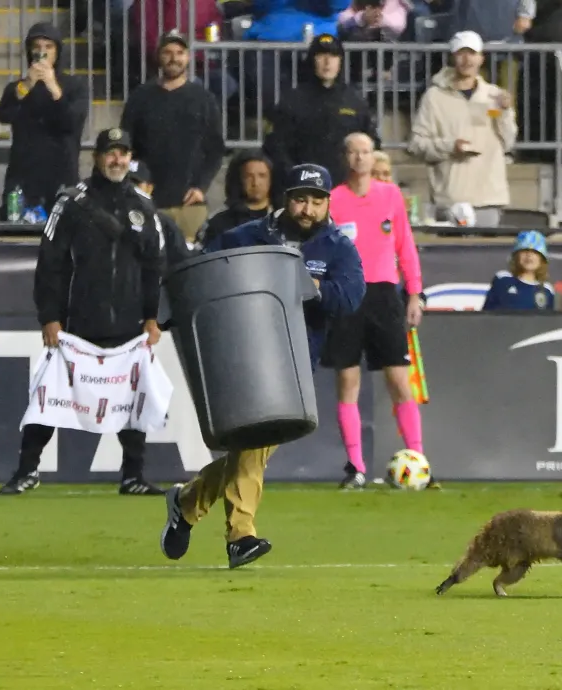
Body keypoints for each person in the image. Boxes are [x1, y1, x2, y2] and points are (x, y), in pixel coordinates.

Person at [159, 163, 365, 569]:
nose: (307, 209)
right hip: (245, 355)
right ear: (286, 200)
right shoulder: (249, 236)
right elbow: (203, 273)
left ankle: (186, 503)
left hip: (296, 363)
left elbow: (352, 297)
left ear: (327, 203)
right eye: (300, 199)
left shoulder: (338, 247)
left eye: (316, 201)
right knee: (254, 442)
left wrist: (314, 287)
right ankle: (241, 536)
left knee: (250, 449)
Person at [0, 128, 166, 498]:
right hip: (77, 322)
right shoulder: (71, 202)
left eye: (123, 154)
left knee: (131, 398)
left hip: (129, 322)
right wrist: (50, 317)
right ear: (96, 157)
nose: (117, 160)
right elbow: (50, 265)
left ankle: (133, 476)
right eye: (111, 153)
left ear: (130, 158)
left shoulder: (143, 205)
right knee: (49, 396)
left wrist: (152, 317)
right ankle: (26, 470)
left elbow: (155, 265)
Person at [327, 132, 426, 490]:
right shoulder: (333, 200)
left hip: (385, 294)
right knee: (348, 381)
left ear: (373, 157)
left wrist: (414, 293)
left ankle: (419, 460)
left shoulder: (390, 195)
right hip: (348, 294)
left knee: (400, 380)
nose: (359, 158)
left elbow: (406, 245)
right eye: (353, 152)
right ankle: (355, 466)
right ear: (345, 157)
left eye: (366, 152)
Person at [120, 31, 226, 242]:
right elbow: (126, 146)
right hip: (147, 202)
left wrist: (201, 187)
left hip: (188, 204)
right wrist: (138, 181)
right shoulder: (140, 97)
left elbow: (215, 150)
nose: (173, 58)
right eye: (167, 52)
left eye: (179, 52)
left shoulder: (204, 99)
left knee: (188, 266)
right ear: (158, 56)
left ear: (188, 57)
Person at [407, 31, 517, 227]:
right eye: (461, 53)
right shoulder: (433, 97)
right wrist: (450, 147)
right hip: (450, 199)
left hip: (488, 198)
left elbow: (508, 141)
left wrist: (506, 112)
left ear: (481, 58)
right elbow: (416, 144)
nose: (467, 60)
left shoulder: (495, 96)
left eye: (472, 53)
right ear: (452, 57)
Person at [263, 34, 380, 194]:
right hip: (302, 189)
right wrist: (295, 177)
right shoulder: (291, 99)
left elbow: (372, 142)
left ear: (340, 61)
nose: (327, 62)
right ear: (312, 59)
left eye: (333, 56)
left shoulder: (355, 100)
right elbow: (275, 147)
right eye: (321, 55)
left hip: (346, 190)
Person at [0, 23, 89, 213]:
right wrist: (27, 85)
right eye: (36, 47)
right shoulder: (19, 87)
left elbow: (71, 122)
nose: (41, 52)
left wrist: (54, 88)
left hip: (62, 176)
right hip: (24, 178)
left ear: (58, 51)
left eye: (48, 47)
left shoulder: (75, 86)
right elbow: (3, 114)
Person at [196, 150, 274, 248]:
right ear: (238, 179)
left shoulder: (281, 219)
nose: (256, 183)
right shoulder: (218, 224)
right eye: (248, 176)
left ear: (271, 179)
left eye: (262, 176)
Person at [482, 230, 556, 311]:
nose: (529, 255)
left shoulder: (546, 290)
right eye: (525, 250)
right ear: (516, 256)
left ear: (542, 259)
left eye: (535, 252)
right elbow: (486, 313)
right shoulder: (502, 279)